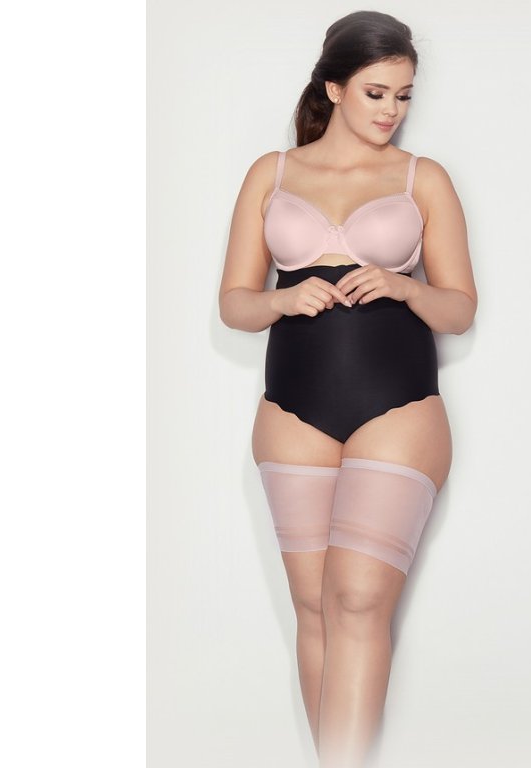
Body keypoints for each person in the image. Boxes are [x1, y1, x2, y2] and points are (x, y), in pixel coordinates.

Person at [218, 10, 477, 768]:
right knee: (314, 609)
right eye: (376, 93)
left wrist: (405, 285)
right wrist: (279, 299)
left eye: (404, 95)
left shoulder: (423, 178)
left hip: (399, 406)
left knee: (358, 600)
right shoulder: (271, 174)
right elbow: (233, 304)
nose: (392, 111)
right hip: (292, 410)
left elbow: (460, 309)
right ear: (333, 87)